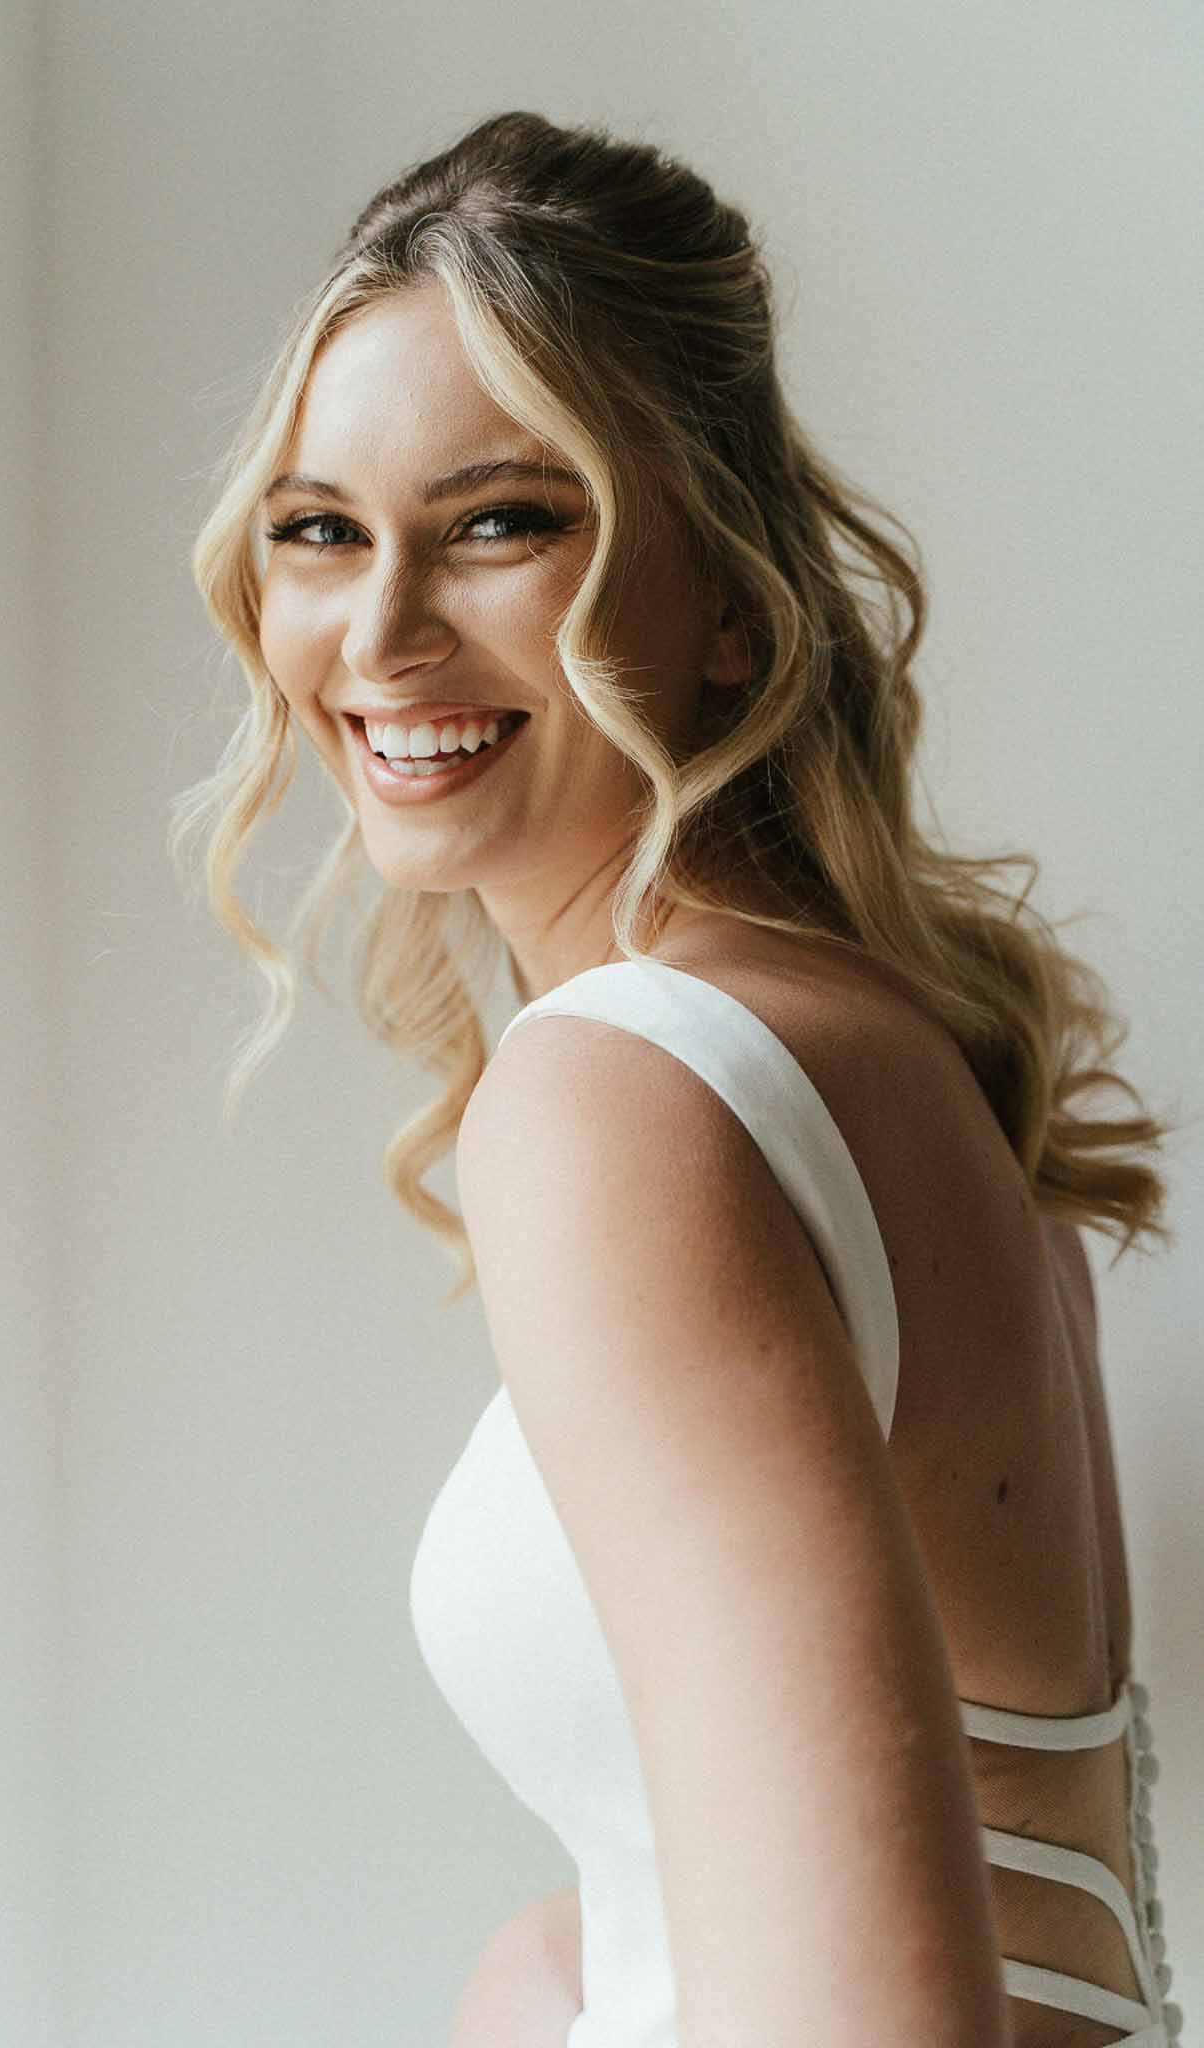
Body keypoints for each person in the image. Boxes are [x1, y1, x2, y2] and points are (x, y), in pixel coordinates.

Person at [173, 110, 1184, 2048]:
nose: (376, 631)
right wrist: (543, 1973)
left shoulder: (617, 1089)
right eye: (318, 528)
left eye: (496, 521)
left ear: (724, 591)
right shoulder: (901, 1061)